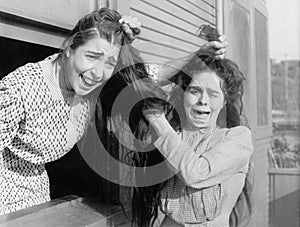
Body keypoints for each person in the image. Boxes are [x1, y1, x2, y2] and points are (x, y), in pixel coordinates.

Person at [0, 7, 226, 215]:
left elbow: (149, 74)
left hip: (38, 197)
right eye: (91, 57)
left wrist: (200, 55)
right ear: (69, 47)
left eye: (109, 63)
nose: (98, 73)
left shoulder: (92, 84)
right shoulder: (18, 90)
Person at [129, 51, 253, 226]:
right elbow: (137, 81)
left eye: (213, 94)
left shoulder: (238, 138)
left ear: (225, 101)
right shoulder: (173, 134)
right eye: (195, 91)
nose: (203, 100)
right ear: (184, 94)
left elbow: (195, 173)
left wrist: (158, 120)